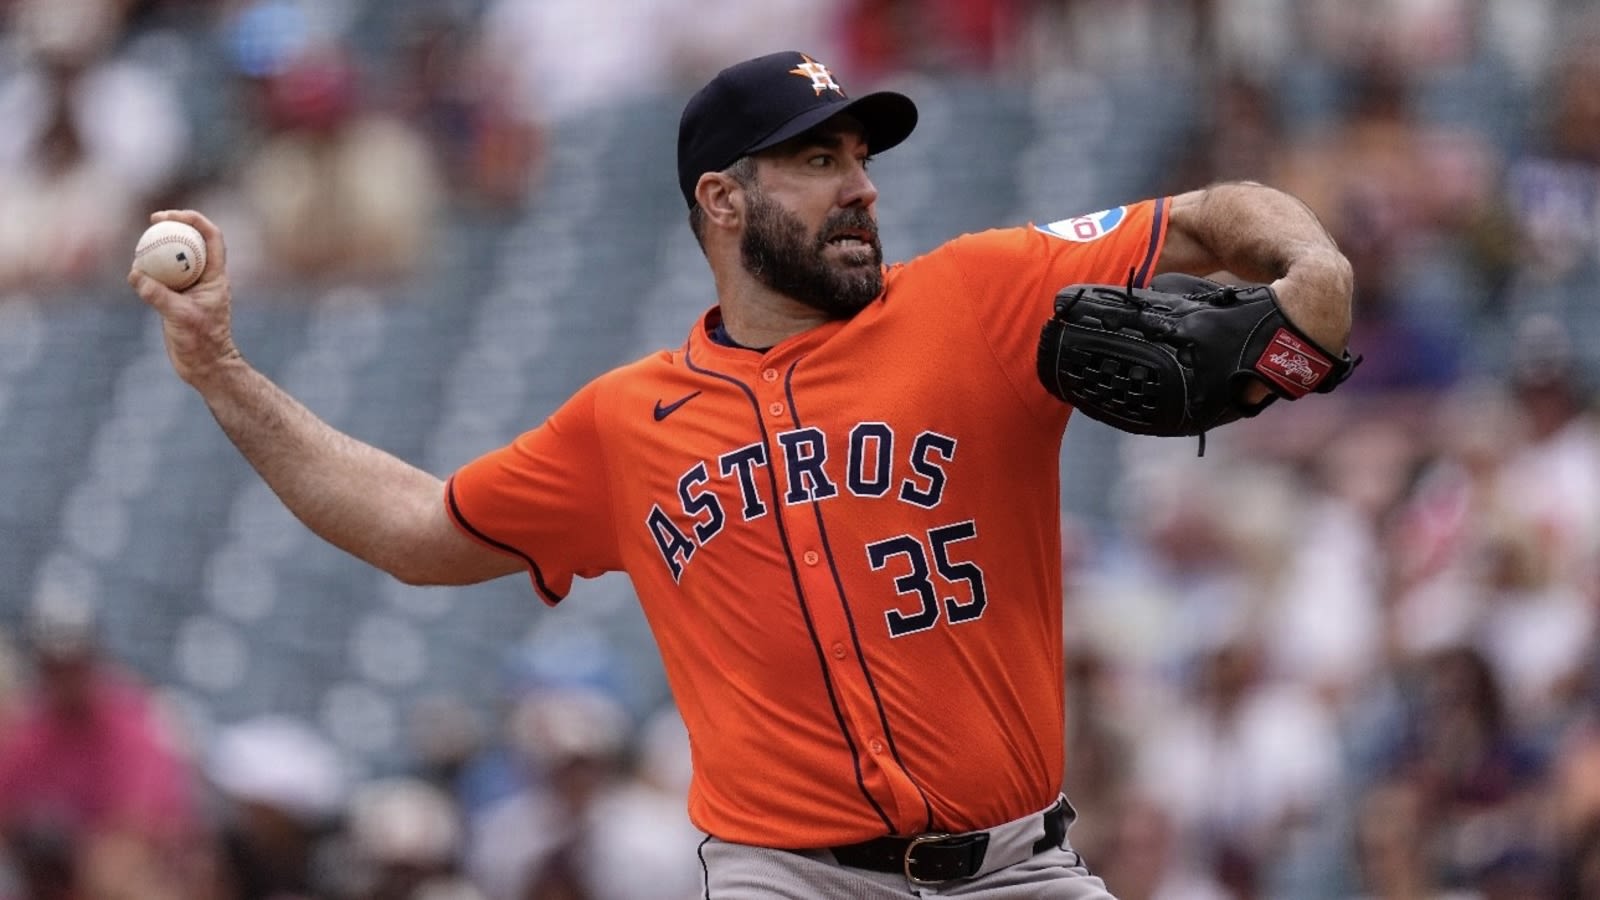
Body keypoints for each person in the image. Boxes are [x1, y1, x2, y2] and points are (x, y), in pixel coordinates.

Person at [129, 50, 1352, 898]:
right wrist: (222, 370)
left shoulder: (979, 292)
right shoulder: (627, 422)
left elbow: (1210, 212)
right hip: (786, 878)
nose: (862, 184)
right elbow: (414, 527)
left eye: (860, 155)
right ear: (722, 200)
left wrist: (1311, 271)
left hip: (1017, 869)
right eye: (817, 159)